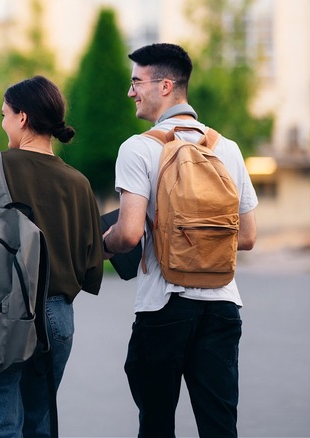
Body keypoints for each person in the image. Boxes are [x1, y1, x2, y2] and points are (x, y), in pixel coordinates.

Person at [101, 43, 258, 437]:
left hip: (163, 306)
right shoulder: (228, 149)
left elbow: (130, 232)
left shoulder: (138, 149)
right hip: (222, 305)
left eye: (136, 81)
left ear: (165, 85)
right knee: (220, 424)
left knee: (155, 424)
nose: (130, 91)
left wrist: (102, 243)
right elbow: (248, 236)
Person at [0, 75, 103, 436]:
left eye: (4, 114)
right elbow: (91, 268)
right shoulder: (78, 182)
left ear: (22, 118)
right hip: (57, 316)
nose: (2, 122)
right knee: (40, 424)